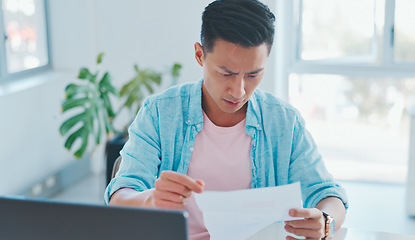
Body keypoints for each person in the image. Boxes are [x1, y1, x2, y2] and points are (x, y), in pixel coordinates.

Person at [105, 0, 348, 239]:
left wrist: (326, 222)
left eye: (253, 74)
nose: (239, 90)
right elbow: (120, 195)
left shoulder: (284, 122)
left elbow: (328, 195)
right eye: (226, 73)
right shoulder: (159, 113)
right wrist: (151, 198)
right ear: (200, 55)